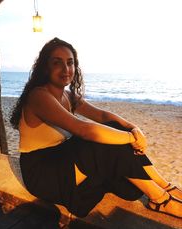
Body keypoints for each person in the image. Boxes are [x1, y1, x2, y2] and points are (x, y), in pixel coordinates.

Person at [10, 37, 182, 219]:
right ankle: (160, 199)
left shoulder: (67, 95)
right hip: (42, 172)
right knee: (99, 142)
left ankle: (163, 185)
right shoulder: (39, 96)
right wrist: (131, 139)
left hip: (61, 158)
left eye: (70, 63)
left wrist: (132, 128)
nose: (66, 69)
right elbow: (84, 129)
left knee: (129, 185)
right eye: (57, 63)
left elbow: (102, 116)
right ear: (45, 67)